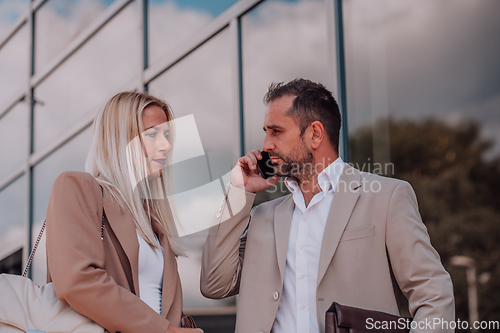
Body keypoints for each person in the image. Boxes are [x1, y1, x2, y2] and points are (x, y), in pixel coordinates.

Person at [200, 79, 455, 333]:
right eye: (266, 132)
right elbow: (214, 285)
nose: (266, 144)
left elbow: (433, 295)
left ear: (315, 134)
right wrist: (237, 192)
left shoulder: (387, 198)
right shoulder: (263, 216)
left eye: (276, 131)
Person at [45, 92, 203, 333]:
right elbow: (76, 281)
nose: (166, 145)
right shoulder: (77, 187)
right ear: (118, 139)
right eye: (152, 134)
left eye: (168, 135)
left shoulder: (153, 221)